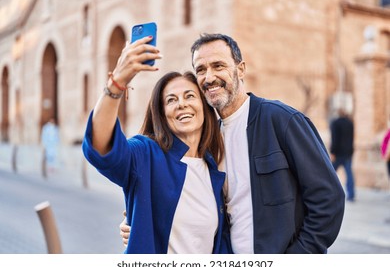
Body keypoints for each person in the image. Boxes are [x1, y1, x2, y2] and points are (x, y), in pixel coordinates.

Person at [120, 33, 345, 254]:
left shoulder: (281, 120)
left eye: (218, 66)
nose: (209, 77)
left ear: (240, 69)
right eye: (201, 69)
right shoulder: (208, 140)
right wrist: (140, 221)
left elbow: (329, 199)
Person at [82, 36, 231, 254]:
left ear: (204, 106)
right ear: (161, 114)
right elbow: (101, 147)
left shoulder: (215, 166)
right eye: (171, 100)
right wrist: (117, 84)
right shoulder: (146, 154)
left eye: (190, 96)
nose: (181, 104)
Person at [330, 107, 355, 201]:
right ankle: (351, 195)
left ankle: (329, 193)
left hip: (338, 153)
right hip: (348, 153)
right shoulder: (350, 123)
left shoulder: (335, 123)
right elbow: (352, 138)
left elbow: (335, 139)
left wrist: (333, 152)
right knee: (349, 174)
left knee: (330, 174)